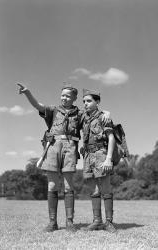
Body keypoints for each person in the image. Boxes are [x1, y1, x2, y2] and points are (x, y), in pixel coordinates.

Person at [16, 82, 110, 233]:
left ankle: (69, 222)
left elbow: (94, 113)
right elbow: (38, 106)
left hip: (70, 148)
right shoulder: (54, 110)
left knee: (68, 186)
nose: (64, 98)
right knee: (52, 185)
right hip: (53, 147)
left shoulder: (80, 114)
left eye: (67, 96)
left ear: (74, 98)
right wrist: (27, 93)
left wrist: (106, 112)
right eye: (62, 95)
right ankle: (52, 222)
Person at [80, 89, 117, 232]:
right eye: (83, 101)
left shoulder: (104, 117)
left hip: (101, 154)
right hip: (88, 156)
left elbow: (111, 138)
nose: (85, 104)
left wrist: (108, 159)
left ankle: (109, 222)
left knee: (106, 189)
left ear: (97, 102)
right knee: (94, 190)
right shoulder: (84, 117)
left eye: (89, 101)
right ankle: (97, 221)